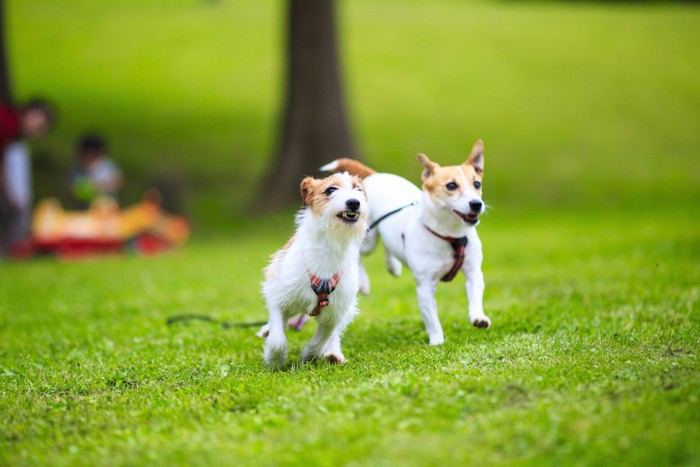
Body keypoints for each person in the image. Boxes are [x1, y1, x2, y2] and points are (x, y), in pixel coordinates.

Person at [0, 99, 56, 257]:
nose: (37, 129)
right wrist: (9, 194)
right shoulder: (7, 122)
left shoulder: (10, 131)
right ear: (28, 112)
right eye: (38, 122)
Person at [68, 133, 122, 209]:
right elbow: (69, 187)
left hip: (106, 208)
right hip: (83, 209)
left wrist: (100, 187)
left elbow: (117, 180)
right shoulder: (78, 169)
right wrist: (77, 190)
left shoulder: (107, 167)